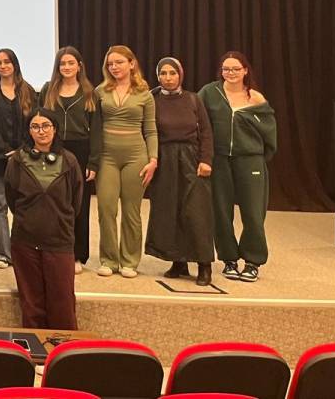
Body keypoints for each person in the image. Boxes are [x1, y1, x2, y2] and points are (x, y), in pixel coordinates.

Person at [198, 51, 277, 283]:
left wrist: (257, 154)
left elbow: (269, 132)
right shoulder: (209, 93)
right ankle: (229, 259)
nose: (230, 73)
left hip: (250, 161)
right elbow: (199, 123)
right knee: (221, 212)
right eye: (226, 69)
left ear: (245, 71)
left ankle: (253, 261)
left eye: (235, 69)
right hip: (219, 160)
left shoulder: (256, 98)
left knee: (253, 213)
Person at [5, 108, 84, 329]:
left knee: (63, 303)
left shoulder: (69, 161)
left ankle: (64, 350)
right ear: (29, 131)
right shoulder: (17, 161)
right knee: (32, 304)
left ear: (55, 128)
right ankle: (35, 350)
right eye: (35, 127)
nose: (41, 131)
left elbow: (76, 202)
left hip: (59, 241)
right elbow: (12, 198)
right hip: (25, 241)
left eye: (46, 125)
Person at [90, 45, 158, 278]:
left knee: (131, 210)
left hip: (136, 157)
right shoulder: (100, 91)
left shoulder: (145, 94)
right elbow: (94, 127)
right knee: (106, 208)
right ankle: (109, 260)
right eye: (110, 64)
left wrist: (153, 159)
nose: (114, 67)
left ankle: (129, 261)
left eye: (119, 62)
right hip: (107, 157)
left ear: (131, 63)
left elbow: (151, 129)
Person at [146, 57, 214, 285]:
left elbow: (206, 132)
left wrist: (206, 160)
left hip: (191, 158)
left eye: (172, 73)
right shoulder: (152, 100)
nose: (167, 78)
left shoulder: (193, 99)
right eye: (163, 73)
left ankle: (204, 264)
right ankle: (178, 261)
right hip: (164, 159)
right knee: (169, 210)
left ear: (180, 75)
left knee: (196, 212)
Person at [39, 46, 97, 273]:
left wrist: (93, 161)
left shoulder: (90, 92)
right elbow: (39, 121)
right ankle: (53, 250)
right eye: (62, 63)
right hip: (54, 148)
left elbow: (97, 130)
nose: (66, 67)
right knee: (53, 201)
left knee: (79, 204)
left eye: (71, 63)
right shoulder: (48, 89)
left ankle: (77, 254)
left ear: (79, 66)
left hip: (81, 149)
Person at [0, 48, 34, 270]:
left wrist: (21, 150)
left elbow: (34, 125)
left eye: (6, 62)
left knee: (23, 206)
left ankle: (23, 252)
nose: (3, 66)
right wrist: (4, 151)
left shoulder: (28, 91)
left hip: (25, 159)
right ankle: (3, 254)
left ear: (15, 64)